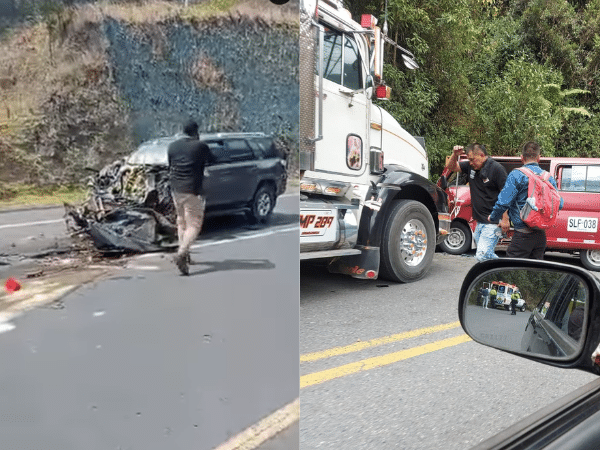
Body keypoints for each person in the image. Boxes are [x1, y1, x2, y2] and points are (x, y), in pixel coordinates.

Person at [488, 142, 563, 260]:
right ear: (539, 158)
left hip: (523, 234)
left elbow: (504, 202)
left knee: (512, 271)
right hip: (541, 237)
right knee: (534, 272)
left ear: (522, 158)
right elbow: (560, 204)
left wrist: (492, 217)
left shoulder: (516, 175)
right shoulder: (548, 177)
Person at [445, 143, 510, 261]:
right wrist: (454, 154)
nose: (470, 162)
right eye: (469, 160)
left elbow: (505, 194)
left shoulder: (496, 169)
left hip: (493, 222)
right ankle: (502, 271)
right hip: (479, 222)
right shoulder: (471, 167)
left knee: (481, 255)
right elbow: (451, 167)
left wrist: (505, 218)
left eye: (472, 159)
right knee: (487, 255)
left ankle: (499, 272)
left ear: (481, 155)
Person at [167, 119, 211, 275]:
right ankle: (181, 253)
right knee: (194, 224)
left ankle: (185, 255)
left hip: (175, 189)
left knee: (182, 222)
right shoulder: (200, 146)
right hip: (192, 189)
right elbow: (211, 161)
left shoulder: (172, 146)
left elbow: (170, 164)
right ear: (196, 132)